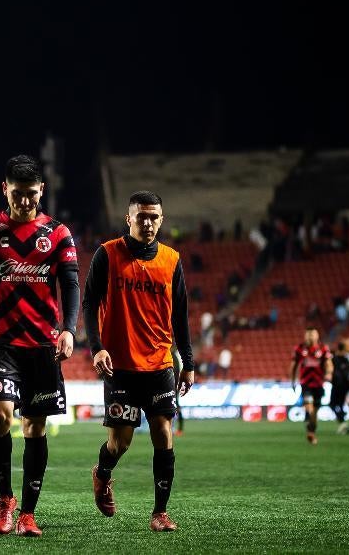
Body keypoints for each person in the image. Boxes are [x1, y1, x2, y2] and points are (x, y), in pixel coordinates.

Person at [0, 155, 79, 537]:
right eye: (18, 193)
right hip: (0, 344)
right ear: (4, 189)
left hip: (43, 345)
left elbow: (72, 285)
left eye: (31, 194)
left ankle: (28, 513)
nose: (25, 201)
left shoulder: (58, 233)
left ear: (41, 190)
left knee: (34, 425)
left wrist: (70, 330)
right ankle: (4, 498)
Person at [83, 190, 195, 532]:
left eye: (154, 217)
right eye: (141, 216)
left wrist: (187, 362)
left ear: (161, 221)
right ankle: (103, 473)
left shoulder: (172, 260)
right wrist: (97, 347)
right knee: (121, 442)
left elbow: (181, 317)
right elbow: (89, 304)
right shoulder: (107, 254)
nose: (147, 222)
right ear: (128, 218)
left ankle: (160, 513)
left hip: (160, 363)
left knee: (163, 432)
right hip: (119, 367)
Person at [289, 327, 333, 445]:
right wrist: (292, 381)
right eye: (308, 335)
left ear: (317, 336)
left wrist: (329, 373)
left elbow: (329, 363)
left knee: (315, 412)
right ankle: (308, 416)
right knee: (309, 405)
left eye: (312, 334)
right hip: (306, 384)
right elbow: (293, 365)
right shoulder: (299, 349)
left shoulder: (323, 348)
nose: (310, 337)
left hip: (319, 384)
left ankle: (311, 431)